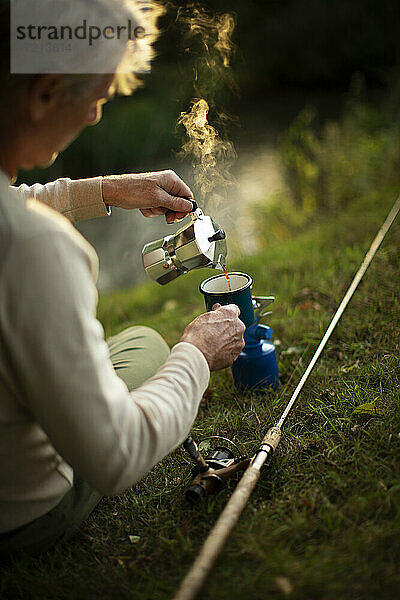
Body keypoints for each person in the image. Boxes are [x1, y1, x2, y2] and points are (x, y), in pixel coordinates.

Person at [0, 0, 245, 557]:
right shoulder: (38, 251)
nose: (93, 117)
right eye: (97, 98)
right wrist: (196, 355)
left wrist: (109, 189)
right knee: (151, 347)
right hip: (24, 514)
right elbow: (114, 458)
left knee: (132, 347)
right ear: (43, 94)